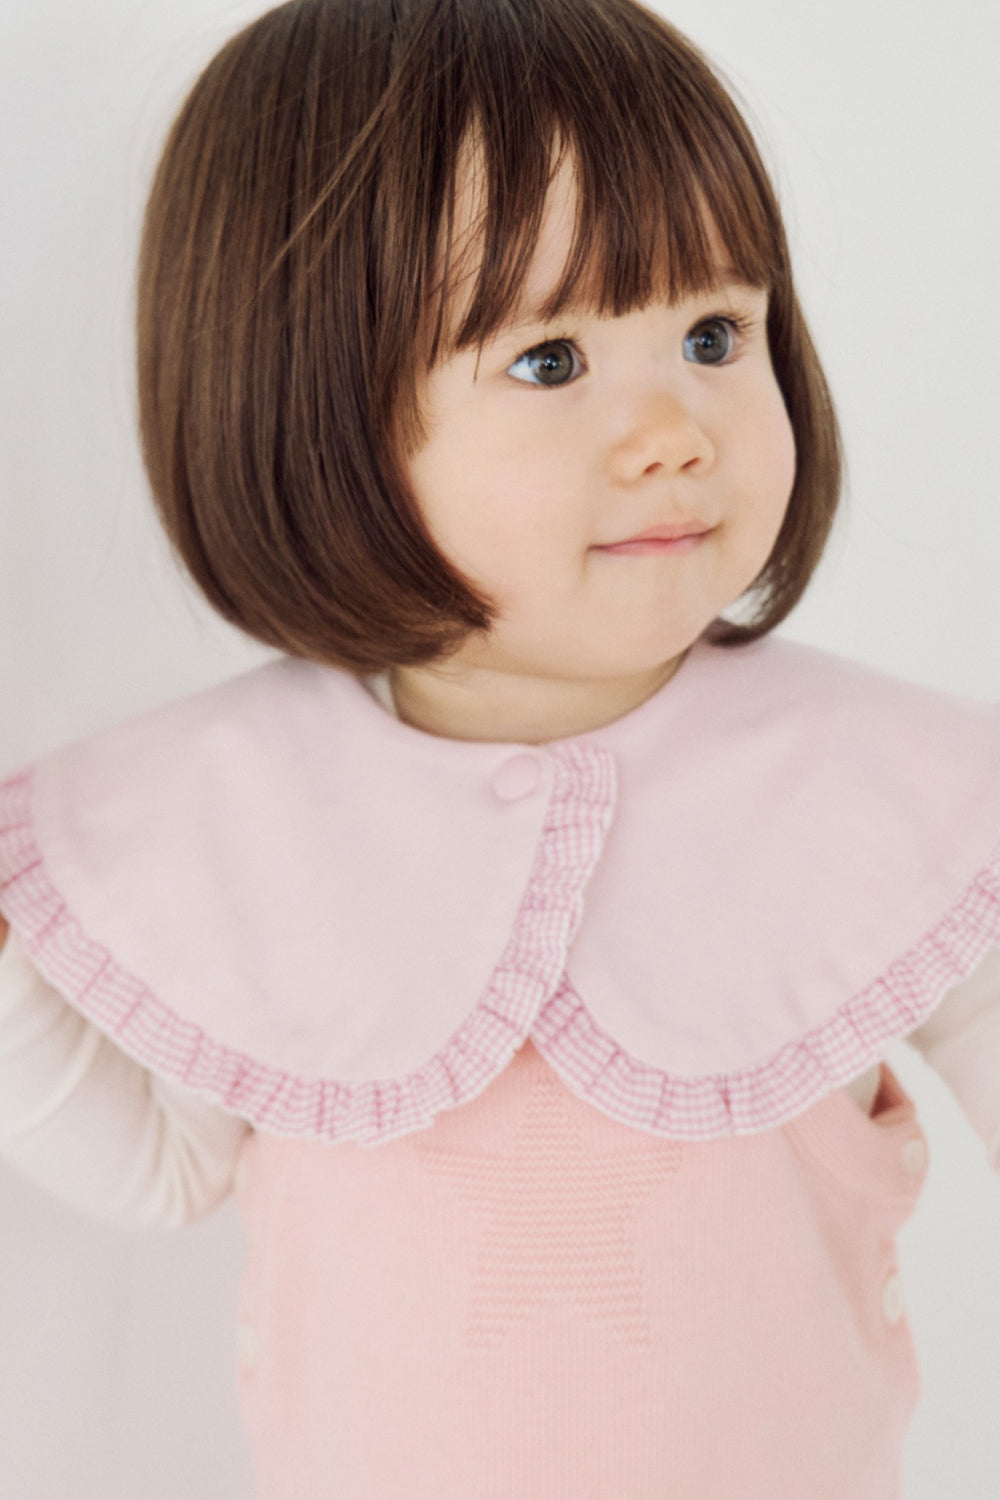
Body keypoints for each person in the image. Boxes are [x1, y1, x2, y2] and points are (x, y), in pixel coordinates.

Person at [1, 0, 999, 1493]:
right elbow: (160, 1163)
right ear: (310, 416)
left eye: (715, 335)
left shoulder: (888, 791)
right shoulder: (240, 815)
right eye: (549, 361)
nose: (675, 428)